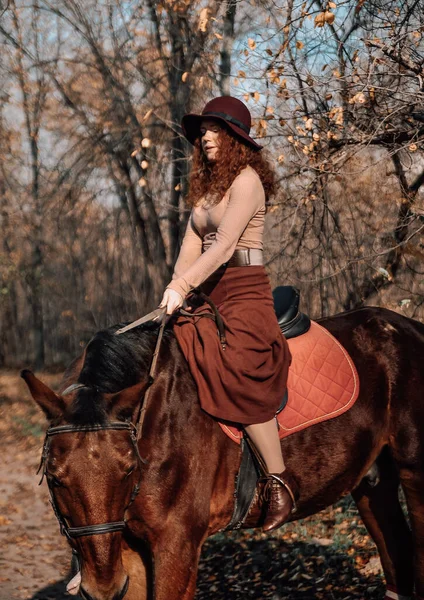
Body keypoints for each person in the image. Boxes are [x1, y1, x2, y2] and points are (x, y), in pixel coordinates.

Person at [159, 95, 298, 532]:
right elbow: (191, 247)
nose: (206, 136)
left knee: (239, 365)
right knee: (172, 346)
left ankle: (278, 481)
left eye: (215, 129)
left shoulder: (248, 181)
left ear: (235, 137)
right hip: (210, 290)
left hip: (245, 291)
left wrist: (184, 286)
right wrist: (173, 291)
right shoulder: (206, 190)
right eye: (203, 130)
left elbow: (222, 247)